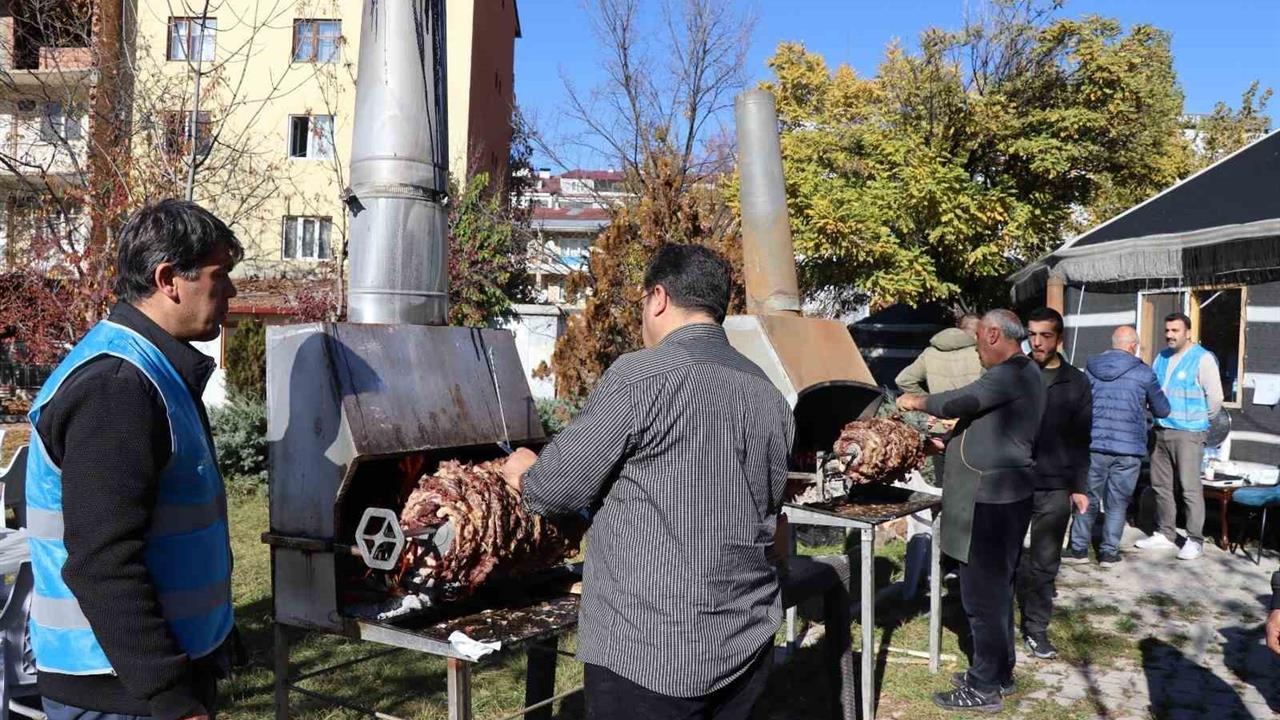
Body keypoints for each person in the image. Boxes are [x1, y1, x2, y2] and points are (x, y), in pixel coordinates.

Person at [502, 244, 794, 720]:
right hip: (747, 644)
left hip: (650, 654)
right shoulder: (768, 393)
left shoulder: (643, 374)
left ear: (657, 298)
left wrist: (523, 472)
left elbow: (554, 490)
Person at [26, 199, 241, 720]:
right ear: (169, 279)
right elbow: (103, 562)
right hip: (122, 694)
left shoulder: (155, 369)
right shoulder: (117, 388)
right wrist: (171, 696)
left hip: (148, 682)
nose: (232, 291)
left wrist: (215, 645)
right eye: (220, 275)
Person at [897, 309, 1045, 713]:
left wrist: (917, 399)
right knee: (999, 590)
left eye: (980, 339)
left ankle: (983, 689)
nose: (977, 348)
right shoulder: (1025, 372)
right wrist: (955, 437)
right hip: (1003, 496)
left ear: (994, 334)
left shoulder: (1010, 373)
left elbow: (962, 400)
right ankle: (1000, 672)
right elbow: (985, 420)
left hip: (991, 501)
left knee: (982, 596)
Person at [1015, 308, 1091, 661]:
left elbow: (1081, 437)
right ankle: (1000, 626)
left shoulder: (1076, 381)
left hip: (1055, 486)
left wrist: (1079, 486)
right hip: (1013, 480)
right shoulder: (1015, 373)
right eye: (1032, 334)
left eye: (1045, 335)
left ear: (1059, 339)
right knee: (1008, 557)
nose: (1037, 341)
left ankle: (1036, 629)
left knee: (1045, 562)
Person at [1065, 325, 1170, 568]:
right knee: (1118, 501)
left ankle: (1078, 548)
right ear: (1133, 346)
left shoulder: (1090, 368)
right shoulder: (1144, 373)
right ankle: (1108, 553)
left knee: (1087, 497)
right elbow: (1163, 409)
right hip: (1128, 449)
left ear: (1113, 344)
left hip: (1094, 444)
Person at [1135, 312, 1224, 561]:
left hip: (1189, 432)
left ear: (1188, 332)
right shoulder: (1161, 358)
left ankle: (1194, 540)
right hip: (1161, 429)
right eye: (1167, 331)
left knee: (1189, 488)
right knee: (1161, 485)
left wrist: (1199, 420)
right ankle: (1166, 533)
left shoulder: (1202, 358)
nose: (1169, 335)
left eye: (1175, 331)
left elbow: (1215, 398)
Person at [895, 313, 983, 395]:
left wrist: (928, 402)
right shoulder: (982, 354)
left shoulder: (930, 353)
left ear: (958, 327)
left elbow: (903, 380)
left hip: (940, 410)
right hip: (976, 410)